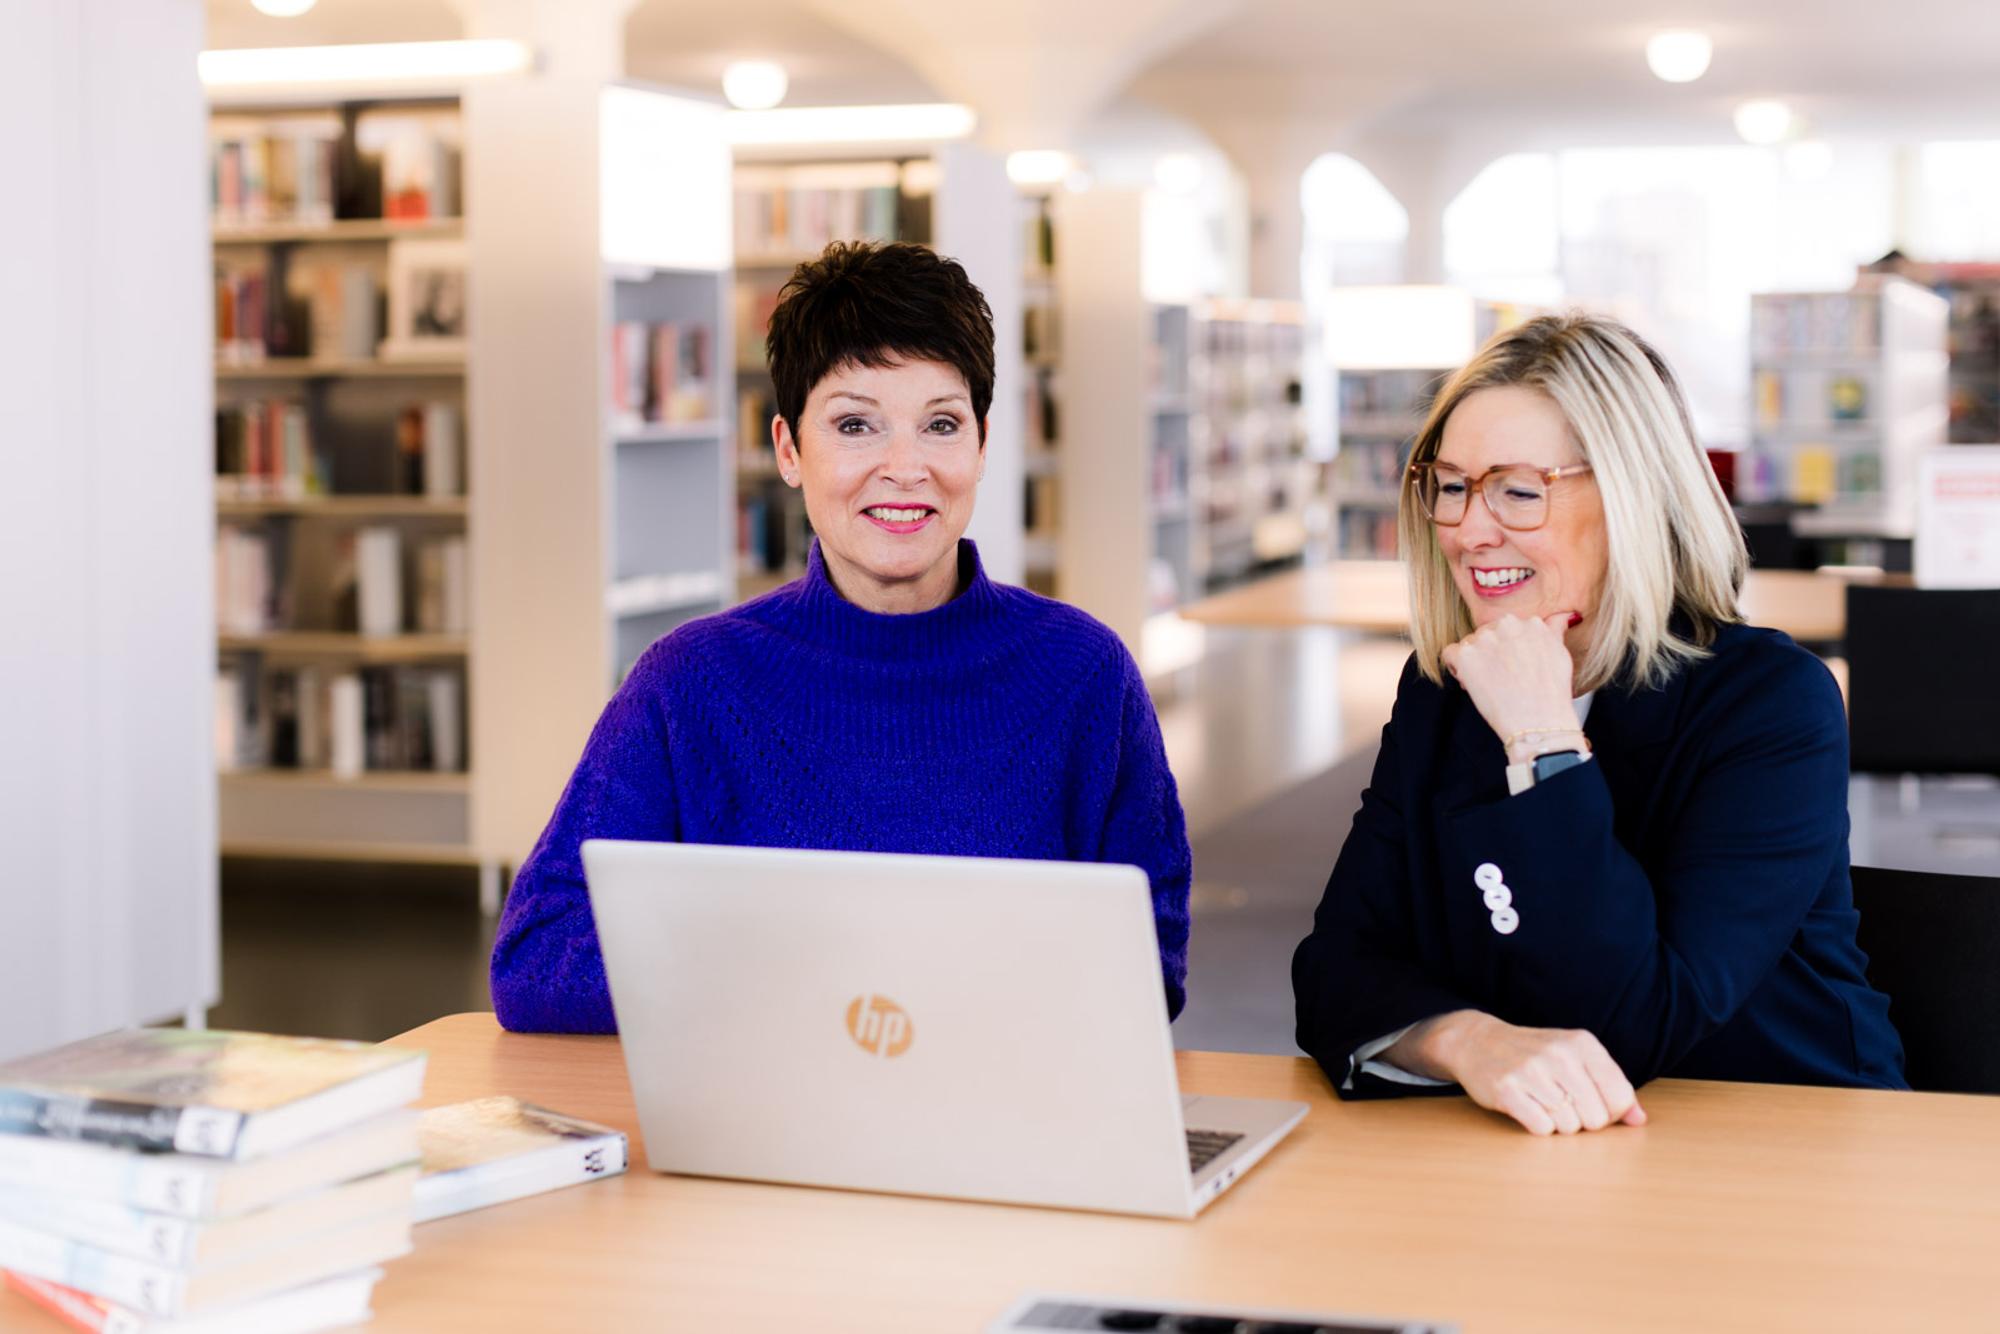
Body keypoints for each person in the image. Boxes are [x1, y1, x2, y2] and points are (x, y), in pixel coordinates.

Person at [491, 241, 1191, 1032]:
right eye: (856, 425)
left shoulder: (1084, 675)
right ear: (789, 450)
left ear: (984, 444)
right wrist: (813, 985)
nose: (904, 466)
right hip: (757, 1138)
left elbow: (1149, 968)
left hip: (1004, 1133)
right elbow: (538, 958)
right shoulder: (689, 682)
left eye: (941, 424)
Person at [1292, 313, 1905, 1135]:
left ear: (1632, 498)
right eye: (1450, 485)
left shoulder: (1770, 703)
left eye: (1517, 490)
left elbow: (1635, 1022)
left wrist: (1542, 742)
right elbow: (1333, 971)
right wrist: (1464, 1041)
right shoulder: (1442, 692)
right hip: (1546, 1164)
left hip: (1785, 1148)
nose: (1471, 531)